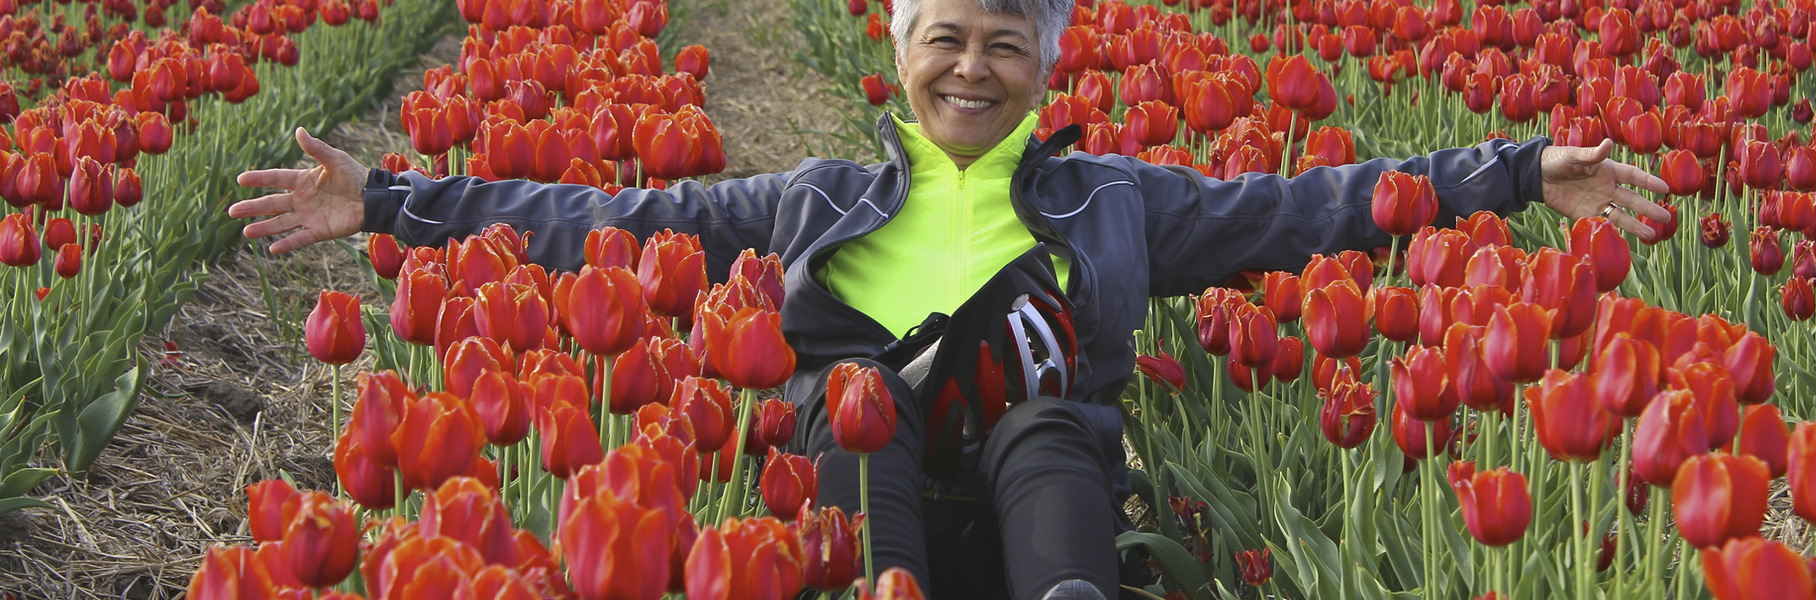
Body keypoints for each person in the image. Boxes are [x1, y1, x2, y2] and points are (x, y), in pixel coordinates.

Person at [230, 0, 1672, 597]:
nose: (970, 67)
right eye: (942, 40)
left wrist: (1516, 170)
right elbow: (612, 214)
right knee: (850, 414)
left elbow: (1316, 205)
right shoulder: (811, 202)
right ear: (900, 54)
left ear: (1044, 62)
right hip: (868, 475)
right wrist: (395, 204)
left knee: (1056, 423)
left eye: (1001, 42)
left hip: (1036, 471)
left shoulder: (1121, 200)